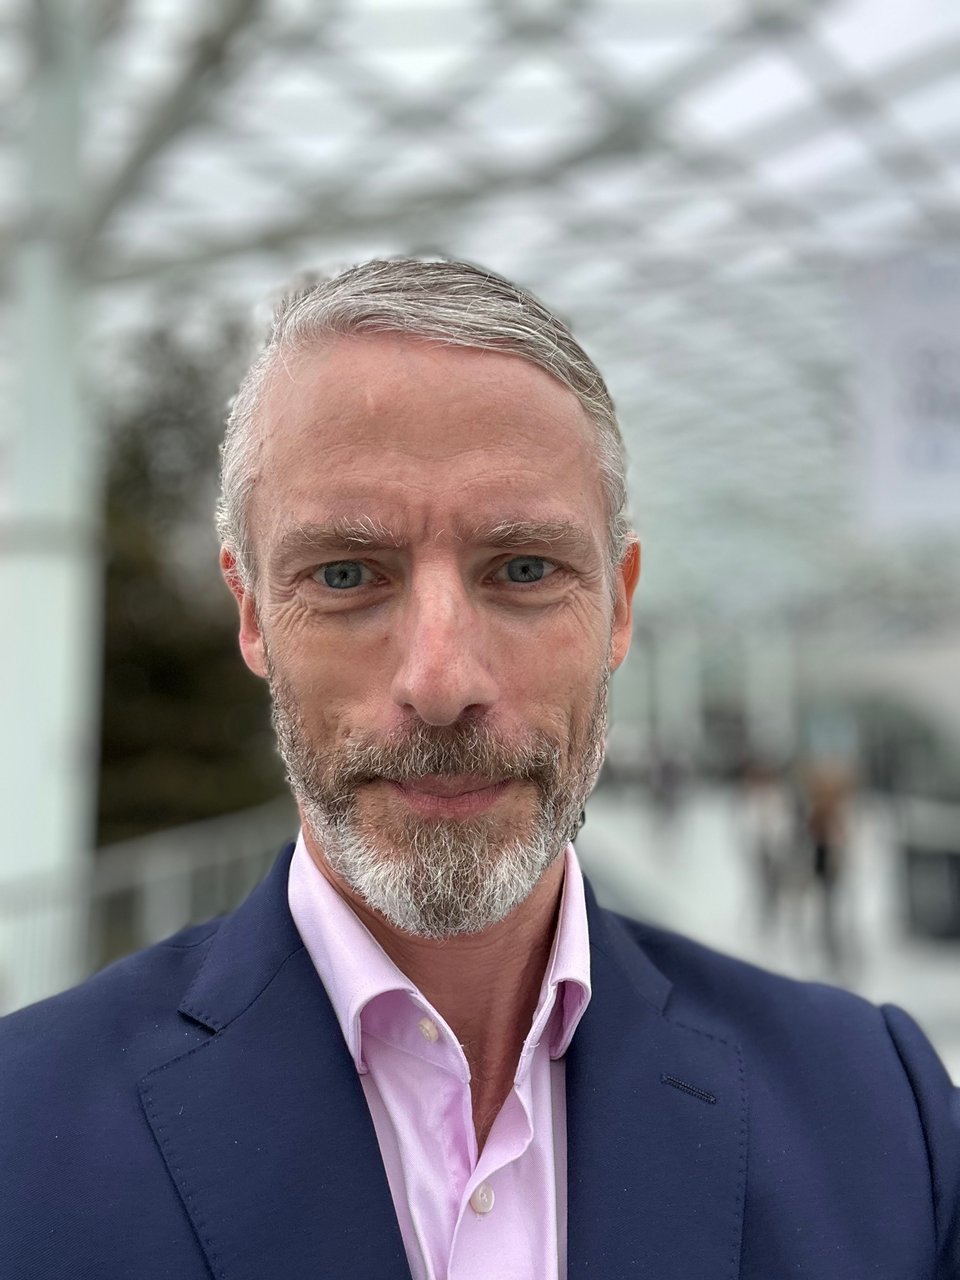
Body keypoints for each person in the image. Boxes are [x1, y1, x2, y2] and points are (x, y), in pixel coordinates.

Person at [1, 259, 958, 1280]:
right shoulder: (22, 1138)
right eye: (345, 573)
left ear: (619, 607)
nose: (442, 678)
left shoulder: (887, 1118)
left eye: (525, 568)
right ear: (252, 613)